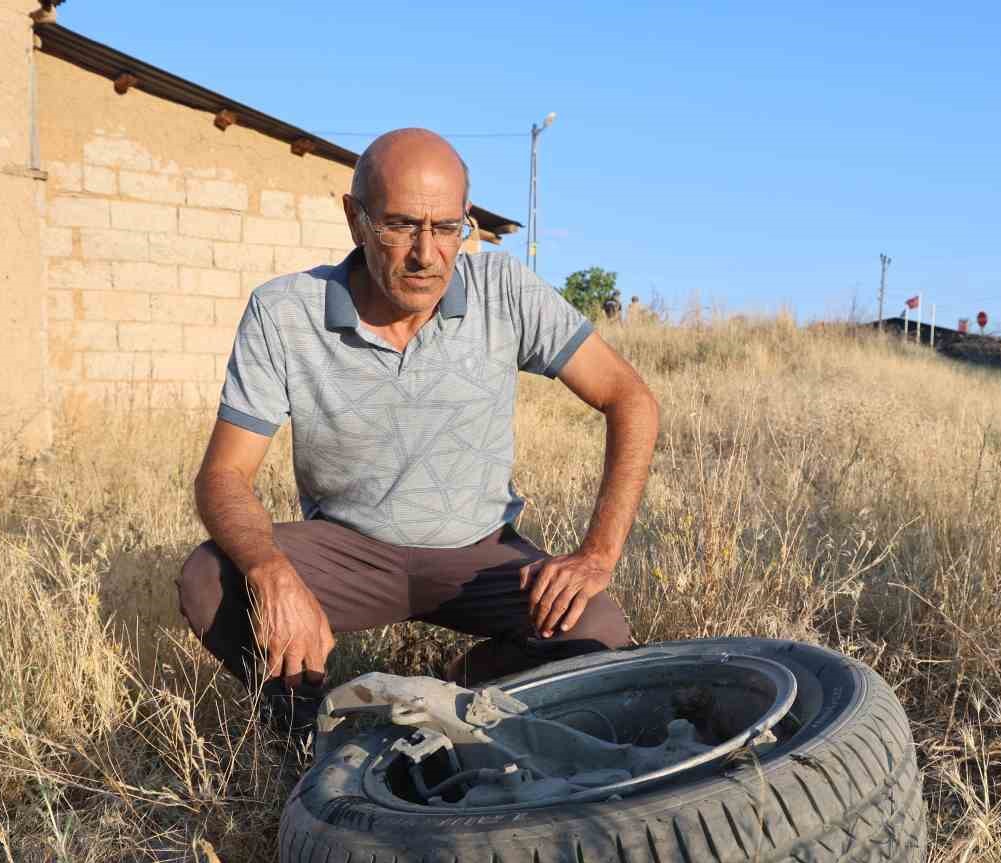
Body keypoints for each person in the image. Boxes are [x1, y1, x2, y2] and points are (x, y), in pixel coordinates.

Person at [176, 129, 660, 728]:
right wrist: (272, 573)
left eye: (447, 228)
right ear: (356, 219)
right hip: (349, 551)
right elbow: (224, 474)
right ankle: (313, 723)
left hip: (477, 550)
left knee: (597, 631)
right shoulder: (285, 312)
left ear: (467, 226)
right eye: (401, 225)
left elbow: (629, 398)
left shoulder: (504, 292)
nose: (425, 254)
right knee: (211, 581)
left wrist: (597, 554)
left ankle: (453, 696)